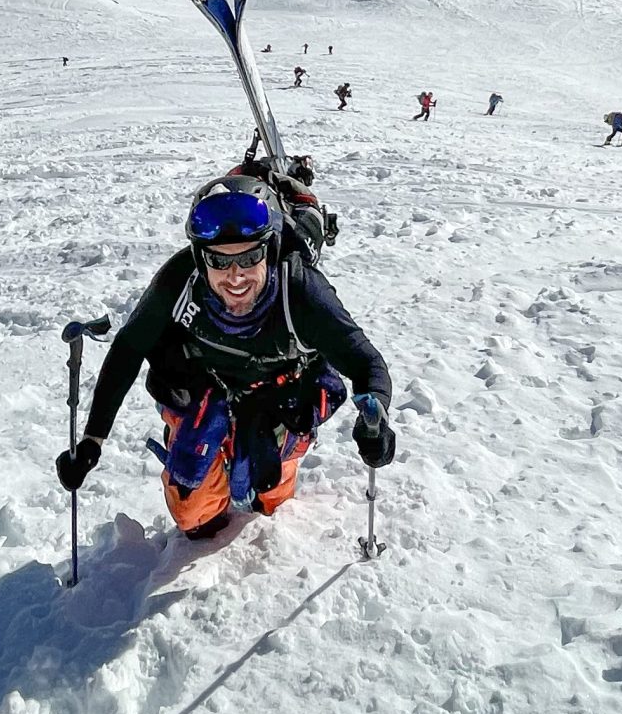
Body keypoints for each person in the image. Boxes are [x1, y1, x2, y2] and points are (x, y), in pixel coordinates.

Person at [55, 177, 395, 538]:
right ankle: (207, 469)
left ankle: (271, 466)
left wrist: (376, 421)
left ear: (270, 249)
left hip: (281, 398)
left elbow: (366, 363)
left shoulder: (301, 292)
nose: (235, 276)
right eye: (219, 260)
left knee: (272, 501)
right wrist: (92, 441)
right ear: (201, 259)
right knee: (195, 516)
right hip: (206, 393)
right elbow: (128, 350)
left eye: (249, 257)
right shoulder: (179, 280)